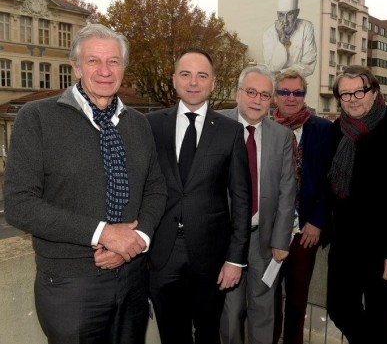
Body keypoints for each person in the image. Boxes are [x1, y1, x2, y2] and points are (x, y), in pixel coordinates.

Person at [4, 23, 167, 344]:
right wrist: (104, 233)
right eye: (93, 61)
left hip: (133, 279)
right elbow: (20, 205)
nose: (105, 71)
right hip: (70, 286)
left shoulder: (138, 124)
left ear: (124, 67)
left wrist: (137, 239)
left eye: (114, 61)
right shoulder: (36, 118)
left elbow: (156, 188)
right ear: (76, 67)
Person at [147, 48, 251, 344]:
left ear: (213, 82)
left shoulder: (231, 131)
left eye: (201, 75)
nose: (193, 82)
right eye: (185, 74)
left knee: (208, 333)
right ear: (174, 80)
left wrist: (236, 259)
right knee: (172, 334)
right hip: (161, 254)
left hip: (212, 256)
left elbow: (241, 200)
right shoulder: (152, 125)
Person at [327, 65, 387, 343]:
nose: (353, 98)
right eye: (345, 94)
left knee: (381, 320)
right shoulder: (337, 131)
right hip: (345, 245)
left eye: (359, 91)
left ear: (374, 91)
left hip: (384, 249)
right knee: (339, 308)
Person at [219, 65, 296, 344]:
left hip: (264, 239)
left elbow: (288, 190)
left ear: (271, 99)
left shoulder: (282, 136)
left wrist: (281, 239)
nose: (256, 100)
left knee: (264, 309)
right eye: (251, 92)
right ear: (238, 93)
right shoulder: (216, 124)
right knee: (230, 310)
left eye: (264, 95)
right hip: (226, 239)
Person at [271, 69, 333, 344]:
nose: (291, 98)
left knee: (297, 300)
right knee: (268, 300)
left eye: (298, 92)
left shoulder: (323, 129)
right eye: (285, 92)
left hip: (306, 231)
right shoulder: (263, 128)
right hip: (269, 229)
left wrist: (318, 220)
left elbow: (330, 180)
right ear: (275, 96)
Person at [263, 0, 317, 77]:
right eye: (281, 15)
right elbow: (273, 66)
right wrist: (281, 40)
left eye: (290, 14)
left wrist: (281, 73)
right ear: (277, 14)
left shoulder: (306, 27)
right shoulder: (269, 34)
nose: (285, 20)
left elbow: (308, 65)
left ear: (297, 13)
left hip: (297, 84)